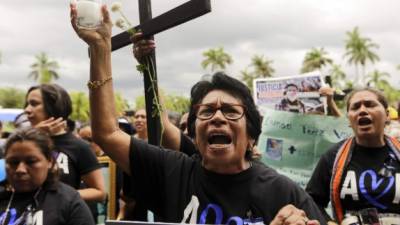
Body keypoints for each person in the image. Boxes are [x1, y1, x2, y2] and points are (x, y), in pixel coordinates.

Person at [70, 4, 326, 225]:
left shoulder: (282, 191)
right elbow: (106, 133)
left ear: (251, 136)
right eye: (206, 112)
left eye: (230, 111)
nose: (217, 117)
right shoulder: (172, 172)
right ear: (193, 133)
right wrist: (101, 48)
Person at [306, 88, 400, 225]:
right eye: (355, 107)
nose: (362, 110)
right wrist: (328, 222)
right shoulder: (332, 157)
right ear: (349, 120)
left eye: (369, 104)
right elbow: (311, 200)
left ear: (387, 115)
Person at [24, 84, 106, 203]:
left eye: (34, 104)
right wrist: (34, 135)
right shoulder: (23, 142)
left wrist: (57, 195)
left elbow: (99, 192)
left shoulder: (79, 147)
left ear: (53, 107)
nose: (27, 109)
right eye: (27, 104)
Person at [0, 128, 95, 225]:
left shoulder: (68, 202)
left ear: (50, 161)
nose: (20, 170)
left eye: (31, 161)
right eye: (13, 162)